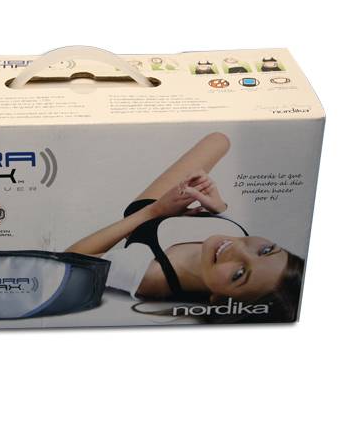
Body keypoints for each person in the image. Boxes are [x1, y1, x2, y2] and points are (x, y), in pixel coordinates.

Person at [65, 132, 304, 322]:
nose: (238, 248)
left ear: (220, 301)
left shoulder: (151, 276)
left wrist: (154, 211)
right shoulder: (237, 238)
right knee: (219, 140)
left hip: (149, 216)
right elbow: (239, 238)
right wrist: (218, 208)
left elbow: (68, 261)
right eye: (265, 250)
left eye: (239, 274)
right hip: (179, 211)